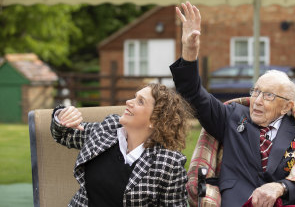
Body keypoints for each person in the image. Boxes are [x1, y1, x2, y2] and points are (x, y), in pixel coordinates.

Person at [170, 2, 295, 207]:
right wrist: (189, 52)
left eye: (268, 96)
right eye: (256, 92)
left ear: (286, 106)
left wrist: (281, 187)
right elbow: (193, 94)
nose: (257, 101)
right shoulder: (232, 116)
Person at [50, 83, 193, 207]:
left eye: (140, 101)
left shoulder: (169, 163)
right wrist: (62, 115)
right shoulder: (108, 128)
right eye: (134, 97)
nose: (129, 102)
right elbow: (64, 134)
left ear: (155, 120)